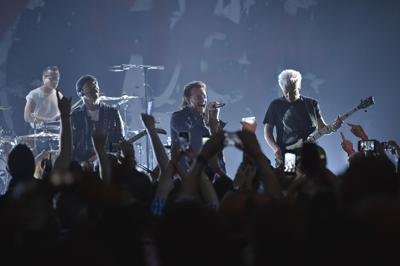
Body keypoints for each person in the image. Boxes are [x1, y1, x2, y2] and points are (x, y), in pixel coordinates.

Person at [263, 69, 342, 163]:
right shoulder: (275, 105)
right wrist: (276, 148)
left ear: (299, 87)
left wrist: (334, 127)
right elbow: (267, 132)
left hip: (309, 154)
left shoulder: (311, 104)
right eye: (285, 92)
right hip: (287, 156)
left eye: (293, 91)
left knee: (312, 177)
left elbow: (322, 129)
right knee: (289, 176)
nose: (289, 95)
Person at [170, 81, 225, 171]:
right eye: (198, 97)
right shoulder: (179, 117)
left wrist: (214, 121)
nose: (203, 99)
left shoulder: (203, 120)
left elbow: (213, 149)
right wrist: (207, 122)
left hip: (204, 172)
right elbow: (190, 138)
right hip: (184, 174)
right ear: (188, 99)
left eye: (204, 96)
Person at [71, 75, 124, 162]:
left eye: (95, 85)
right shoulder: (75, 116)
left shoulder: (112, 113)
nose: (94, 88)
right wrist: (82, 163)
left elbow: (120, 141)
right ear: (81, 92)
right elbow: (70, 145)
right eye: (90, 86)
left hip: (109, 164)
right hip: (83, 166)